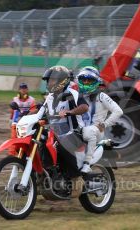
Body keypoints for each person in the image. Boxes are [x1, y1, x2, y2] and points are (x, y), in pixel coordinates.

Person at [41, 65, 89, 197]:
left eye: (51, 80)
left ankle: (76, 179)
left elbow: (84, 107)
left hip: (76, 132)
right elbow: (40, 111)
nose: (49, 83)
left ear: (61, 81)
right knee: (40, 142)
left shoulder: (71, 93)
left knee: (63, 145)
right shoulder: (50, 98)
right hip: (57, 134)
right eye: (48, 80)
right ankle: (48, 173)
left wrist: (70, 112)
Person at [77, 66, 123, 173]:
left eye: (90, 80)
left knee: (90, 131)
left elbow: (118, 111)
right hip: (79, 129)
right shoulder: (76, 95)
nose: (86, 82)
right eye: (84, 79)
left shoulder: (102, 96)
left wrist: (105, 124)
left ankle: (87, 163)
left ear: (96, 82)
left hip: (96, 131)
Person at [9, 83, 37, 154]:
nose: (23, 90)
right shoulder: (15, 99)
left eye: (25, 88)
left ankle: (25, 153)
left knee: (26, 138)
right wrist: (10, 119)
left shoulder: (31, 100)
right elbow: (12, 111)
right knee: (14, 138)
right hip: (16, 121)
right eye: (22, 89)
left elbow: (34, 110)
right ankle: (12, 154)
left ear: (27, 90)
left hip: (26, 122)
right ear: (19, 90)